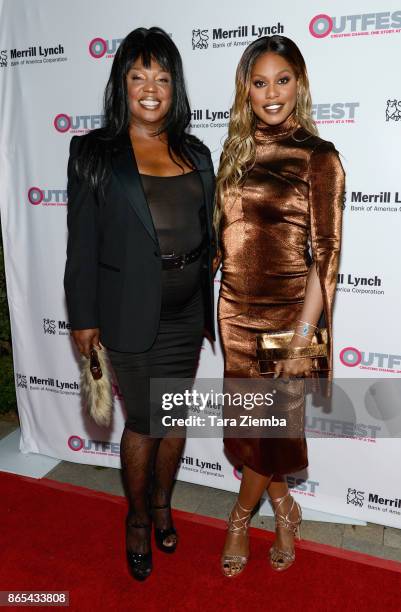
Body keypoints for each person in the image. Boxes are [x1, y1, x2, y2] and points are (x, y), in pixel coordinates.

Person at [64, 27, 216, 581]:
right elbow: (80, 245)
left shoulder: (195, 150)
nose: (151, 88)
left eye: (162, 77)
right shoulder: (94, 152)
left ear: (175, 86)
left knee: (174, 418)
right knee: (146, 422)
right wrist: (83, 318)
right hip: (127, 311)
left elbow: (209, 224)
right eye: (138, 77)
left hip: (186, 313)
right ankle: (135, 519)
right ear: (121, 84)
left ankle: (161, 504)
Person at [215, 35, 344, 576]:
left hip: (291, 316)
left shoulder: (319, 157)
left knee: (272, 432)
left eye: (282, 80)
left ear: (300, 83)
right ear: (246, 88)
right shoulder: (234, 152)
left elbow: (327, 256)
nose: (271, 93)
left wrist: (300, 339)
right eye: (260, 81)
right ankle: (286, 507)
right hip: (235, 313)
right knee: (250, 430)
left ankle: (240, 519)